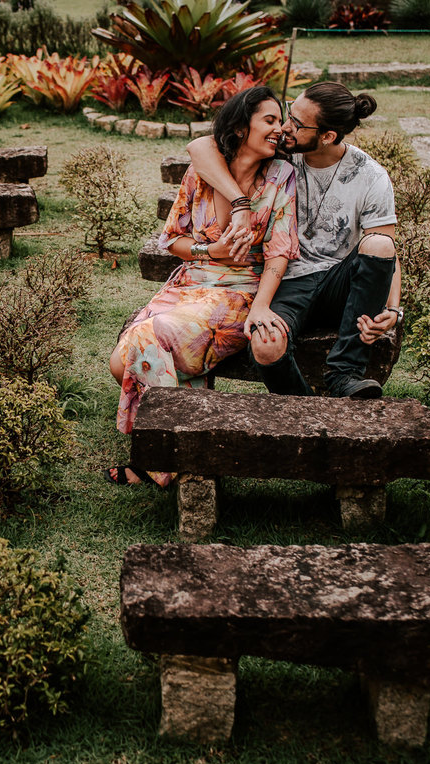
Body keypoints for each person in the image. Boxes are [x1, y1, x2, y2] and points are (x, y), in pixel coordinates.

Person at [107, 86, 298, 486]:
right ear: (241, 126)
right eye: (270, 120)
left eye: (280, 121)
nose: (279, 129)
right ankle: (194, 439)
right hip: (189, 284)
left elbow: (280, 251)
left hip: (237, 293)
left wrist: (262, 306)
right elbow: (173, 241)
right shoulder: (203, 173)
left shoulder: (281, 176)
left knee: (145, 337)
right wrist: (211, 251)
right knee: (119, 363)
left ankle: (163, 459)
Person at [186, 81, 402, 399]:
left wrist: (394, 310)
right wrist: (240, 203)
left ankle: (344, 373)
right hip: (285, 281)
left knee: (379, 243)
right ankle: (305, 409)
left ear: (327, 136)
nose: (285, 127)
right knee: (264, 345)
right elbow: (199, 148)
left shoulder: (370, 176)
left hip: (341, 285)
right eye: (290, 112)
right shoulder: (278, 153)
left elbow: (386, 250)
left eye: (297, 124)